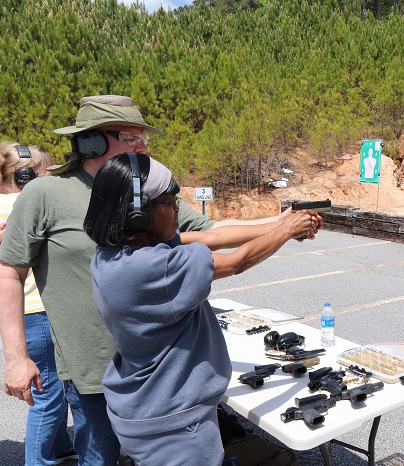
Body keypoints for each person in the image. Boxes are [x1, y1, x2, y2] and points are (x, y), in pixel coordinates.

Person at [0, 95, 307, 465]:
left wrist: (283, 223)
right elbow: (9, 272)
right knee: (99, 457)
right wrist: (17, 358)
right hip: (93, 364)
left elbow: (211, 231)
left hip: (162, 376)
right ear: (90, 142)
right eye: (131, 138)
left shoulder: (143, 185)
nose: (142, 146)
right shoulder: (44, 193)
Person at [82, 153, 320, 465]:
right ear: (138, 213)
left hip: (146, 409)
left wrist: (280, 222)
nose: (177, 208)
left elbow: (214, 237)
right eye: (170, 200)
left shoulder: (115, 255)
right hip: (176, 426)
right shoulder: (152, 267)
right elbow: (237, 261)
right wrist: (287, 231)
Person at [0, 143, 78, 465]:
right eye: (44, 173)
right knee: (49, 396)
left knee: (51, 386)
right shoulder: (25, 205)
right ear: (25, 178)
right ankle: (38, 460)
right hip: (37, 310)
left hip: (22, 314)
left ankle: (60, 449)